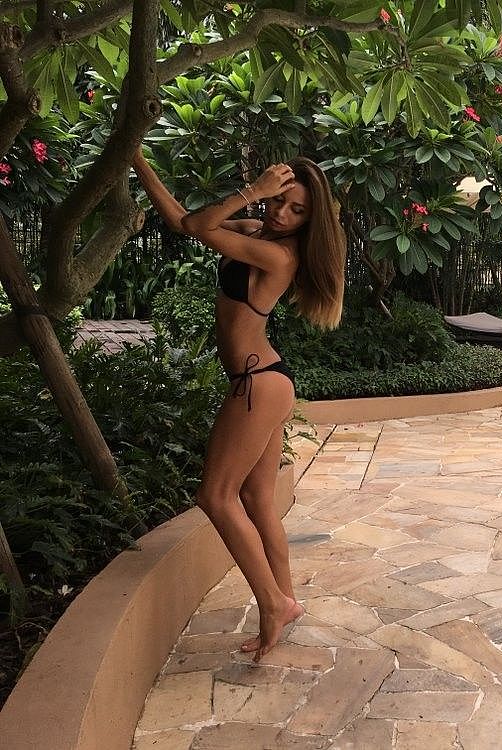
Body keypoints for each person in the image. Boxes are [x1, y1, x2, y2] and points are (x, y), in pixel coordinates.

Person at [132, 150, 346, 661]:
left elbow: (201, 227)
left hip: (257, 382)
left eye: (297, 210)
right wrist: (137, 159)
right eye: (281, 201)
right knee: (257, 498)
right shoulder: (255, 232)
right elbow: (185, 221)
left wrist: (254, 190)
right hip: (265, 379)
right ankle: (287, 599)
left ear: (310, 221)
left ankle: (272, 603)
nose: (282, 214)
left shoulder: (280, 256)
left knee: (215, 496)